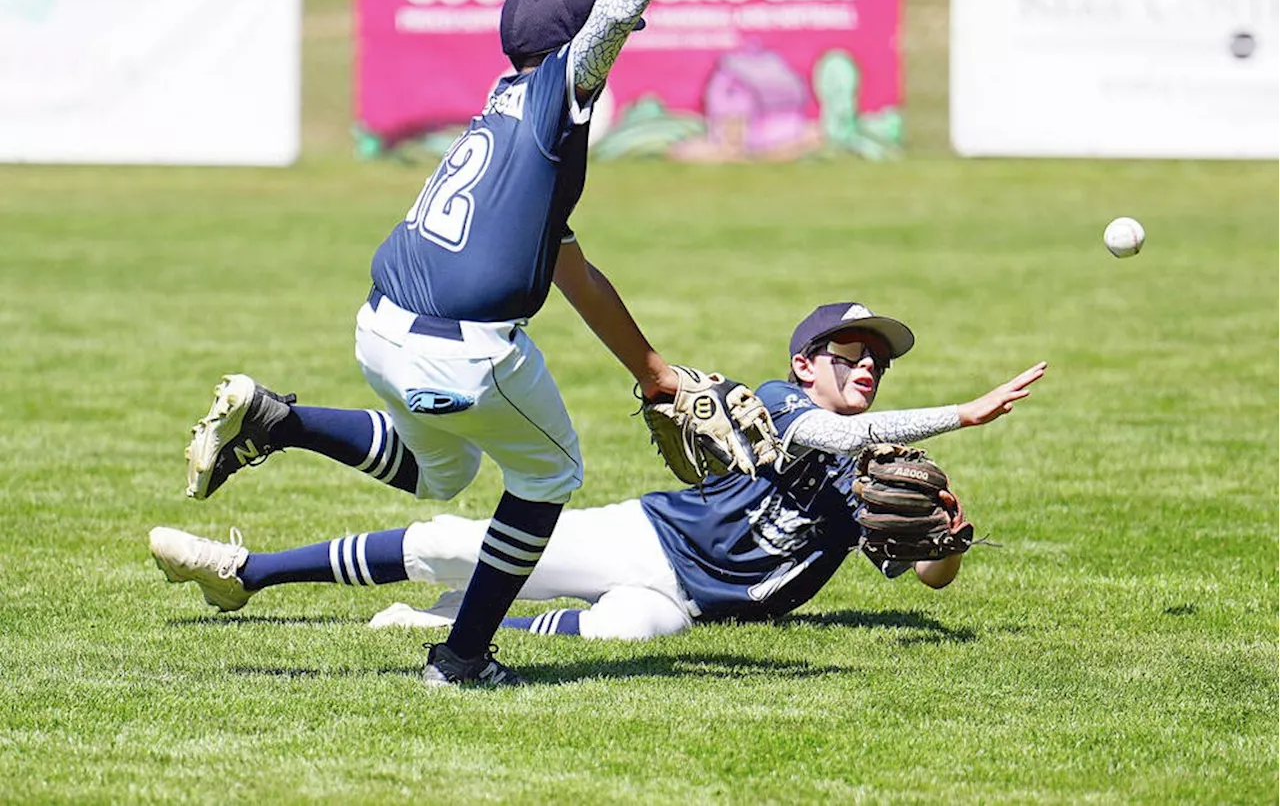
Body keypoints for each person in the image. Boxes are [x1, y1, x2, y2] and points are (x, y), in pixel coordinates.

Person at [179, 0, 745, 687]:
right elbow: (621, 5)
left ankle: (279, 420)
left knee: (441, 468)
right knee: (551, 474)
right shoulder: (558, 95)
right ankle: (463, 655)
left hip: (382, 326)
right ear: (570, 46)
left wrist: (654, 369)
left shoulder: (504, 117)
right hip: (463, 345)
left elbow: (574, 273)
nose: (622, 40)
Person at [155, 301, 1047, 642]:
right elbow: (828, 435)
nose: (867, 367)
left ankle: (446, 627)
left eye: (877, 361)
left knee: (624, 636)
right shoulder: (782, 403)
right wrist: (962, 412)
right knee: (449, 540)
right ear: (806, 363)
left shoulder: (881, 467)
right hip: (647, 537)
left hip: (690, 602)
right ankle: (245, 573)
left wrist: (948, 534)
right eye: (850, 352)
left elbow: (925, 573)